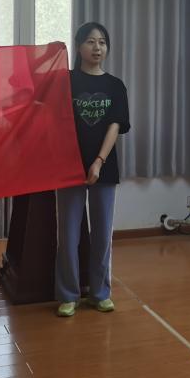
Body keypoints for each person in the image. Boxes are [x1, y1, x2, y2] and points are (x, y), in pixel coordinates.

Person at [55, 22, 130, 318]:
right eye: (90, 41)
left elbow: (115, 126)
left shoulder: (115, 85)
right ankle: (68, 294)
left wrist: (98, 161)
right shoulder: (64, 81)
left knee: (102, 234)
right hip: (67, 166)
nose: (97, 47)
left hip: (104, 167)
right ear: (78, 46)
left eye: (102, 42)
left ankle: (100, 293)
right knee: (68, 235)